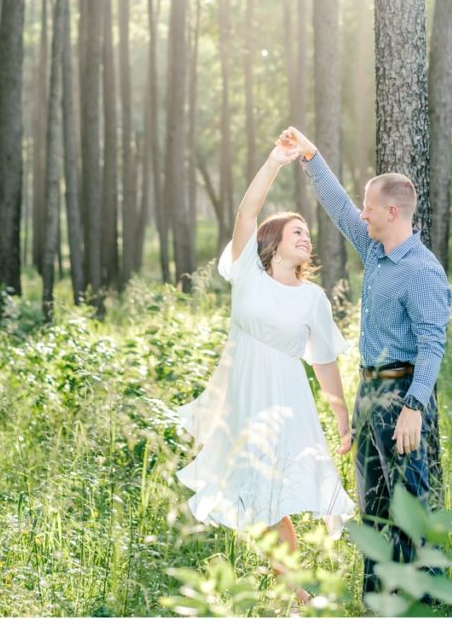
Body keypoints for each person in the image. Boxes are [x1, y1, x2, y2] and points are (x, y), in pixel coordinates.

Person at [176, 140, 355, 603]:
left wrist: (340, 416)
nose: (306, 237)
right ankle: (286, 588)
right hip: (243, 397)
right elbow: (246, 213)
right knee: (256, 498)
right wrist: (276, 161)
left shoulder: (312, 298)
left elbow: (323, 360)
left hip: (287, 401)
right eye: (296, 230)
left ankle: (291, 592)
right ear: (272, 242)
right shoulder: (248, 275)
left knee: (276, 498)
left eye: (307, 233)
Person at [278, 126, 452, 599]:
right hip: (368, 392)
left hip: (404, 397)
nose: (362, 213)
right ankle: (377, 602)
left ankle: (424, 603)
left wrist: (415, 407)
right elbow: (337, 207)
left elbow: (433, 344)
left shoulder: (422, 271)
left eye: (369, 207)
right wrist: (311, 156)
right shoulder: (376, 251)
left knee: (410, 506)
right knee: (372, 505)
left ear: (392, 212)